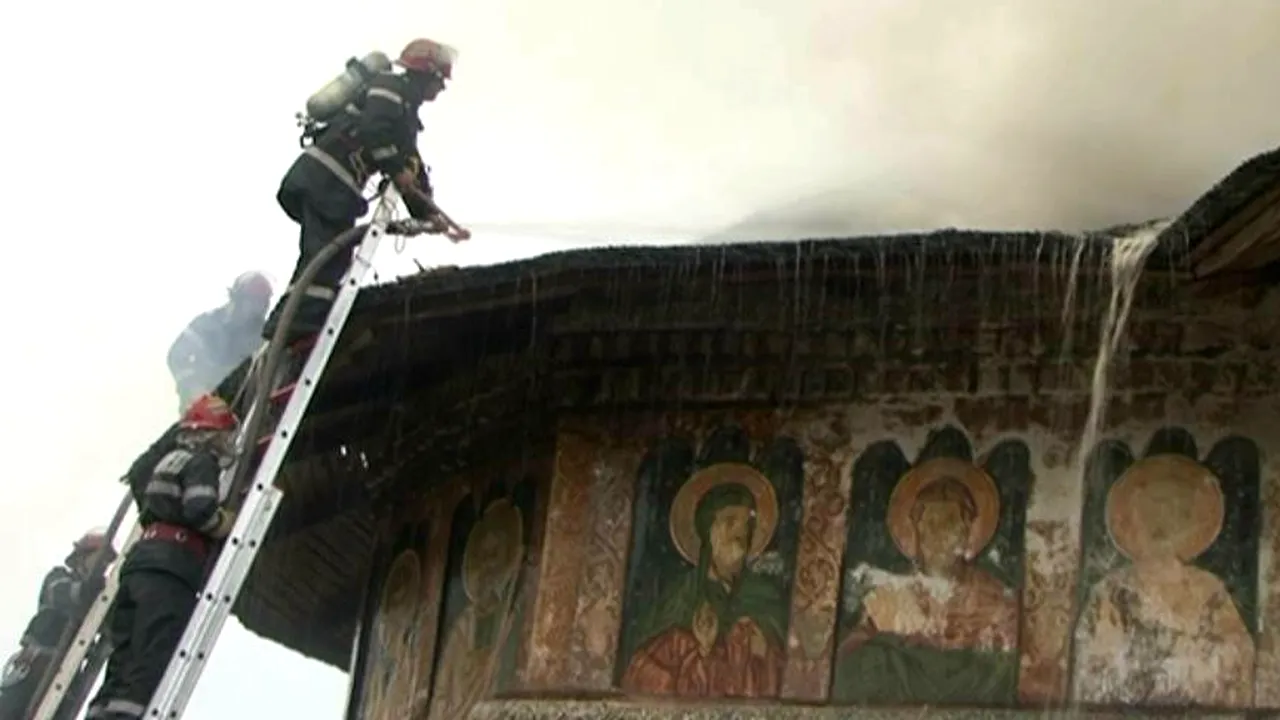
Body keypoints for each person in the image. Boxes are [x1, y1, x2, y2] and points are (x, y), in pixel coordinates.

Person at [263, 37, 469, 346]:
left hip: (332, 186)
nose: (441, 89)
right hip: (326, 181)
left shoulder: (405, 110)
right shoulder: (391, 87)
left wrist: (433, 218)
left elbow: (410, 164)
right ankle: (296, 325)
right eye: (441, 81)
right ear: (428, 74)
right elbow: (375, 130)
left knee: (329, 255)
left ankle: (292, 321)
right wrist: (396, 169)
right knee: (324, 254)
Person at [87, 394, 240, 720]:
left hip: (140, 565)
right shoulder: (201, 462)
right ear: (212, 434)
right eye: (225, 435)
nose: (228, 442)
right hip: (170, 569)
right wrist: (224, 523)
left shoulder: (168, 460)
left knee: (123, 656)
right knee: (152, 654)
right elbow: (200, 509)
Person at [0, 531, 116, 720]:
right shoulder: (57, 578)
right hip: (33, 674)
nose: (103, 566)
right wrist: (91, 590)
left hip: (65, 684)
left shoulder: (98, 602)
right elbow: (68, 595)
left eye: (106, 562)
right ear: (81, 558)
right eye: (100, 558)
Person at [167, 272, 274, 413]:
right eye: (254, 302)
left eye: (263, 303)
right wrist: (195, 389)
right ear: (237, 299)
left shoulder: (264, 335)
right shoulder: (207, 324)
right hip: (202, 410)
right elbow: (176, 357)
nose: (259, 310)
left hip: (241, 412)